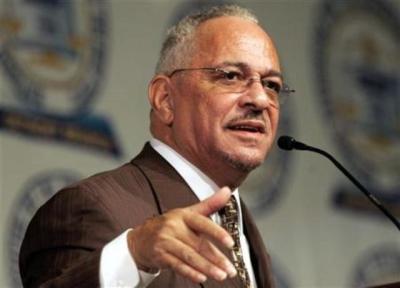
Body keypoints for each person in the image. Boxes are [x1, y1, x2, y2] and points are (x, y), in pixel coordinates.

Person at [19, 4, 292, 288]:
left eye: (271, 84)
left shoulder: (242, 229)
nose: (260, 99)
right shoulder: (90, 209)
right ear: (165, 99)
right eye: (230, 76)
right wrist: (131, 257)